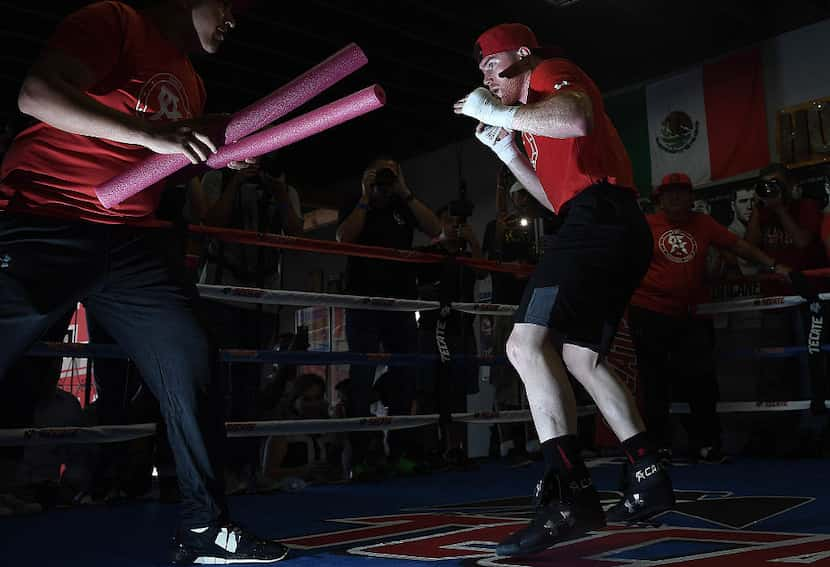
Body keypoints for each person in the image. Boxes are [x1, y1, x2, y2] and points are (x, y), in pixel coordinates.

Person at [0, 1, 288, 563]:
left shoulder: (193, 84)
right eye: (230, 3)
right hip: (46, 213)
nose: (237, 17)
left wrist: (223, 152)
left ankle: (205, 527)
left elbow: (169, 151)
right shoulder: (117, 20)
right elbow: (35, 94)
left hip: (132, 235)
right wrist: (150, 134)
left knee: (191, 352)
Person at [453, 23, 674, 556]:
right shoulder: (534, 120)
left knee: (523, 346)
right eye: (479, 67)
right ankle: (648, 472)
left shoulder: (549, 75)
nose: (484, 74)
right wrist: (508, 151)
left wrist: (499, 112)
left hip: (598, 221)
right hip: (603, 222)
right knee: (581, 358)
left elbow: (577, 116)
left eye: (490, 62)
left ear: (521, 56)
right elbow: (556, 201)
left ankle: (567, 492)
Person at [629, 173, 789, 464]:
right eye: (669, 193)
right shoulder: (644, 225)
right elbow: (620, 259)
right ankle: (659, 447)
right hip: (649, 312)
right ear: (659, 198)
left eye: (681, 192)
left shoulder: (703, 223)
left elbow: (739, 247)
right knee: (655, 384)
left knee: (701, 380)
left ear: (691, 197)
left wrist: (775, 265)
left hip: (690, 313)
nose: (675, 197)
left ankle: (706, 443)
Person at [336, 157, 441, 477]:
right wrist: (366, 197)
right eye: (381, 172)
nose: (386, 178)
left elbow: (436, 230)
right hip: (363, 301)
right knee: (362, 379)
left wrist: (405, 190)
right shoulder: (356, 204)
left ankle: (400, 453)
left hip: (400, 301)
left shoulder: (405, 203)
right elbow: (343, 238)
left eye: (391, 172)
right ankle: (362, 458)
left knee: (405, 380)